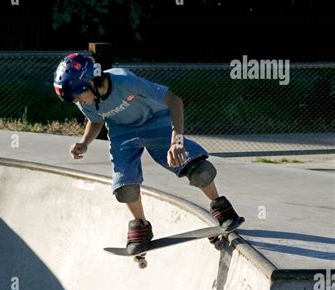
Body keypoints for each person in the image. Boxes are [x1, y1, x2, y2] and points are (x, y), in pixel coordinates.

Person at [53, 52, 241, 256]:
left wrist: (176, 142)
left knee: (198, 169)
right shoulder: (86, 101)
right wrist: (84, 142)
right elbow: (97, 120)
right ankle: (141, 226)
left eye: (78, 96)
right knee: (125, 188)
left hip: (155, 122)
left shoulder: (125, 81)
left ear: (92, 83)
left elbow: (175, 101)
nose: (78, 102)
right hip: (122, 133)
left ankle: (219, 205)